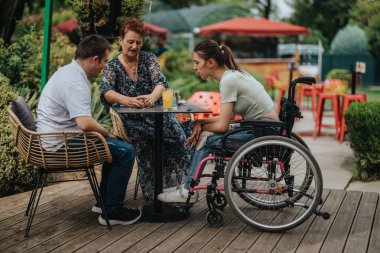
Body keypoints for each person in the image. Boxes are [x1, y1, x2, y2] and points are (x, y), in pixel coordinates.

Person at [36, 35, 141, 225]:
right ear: (94, 59)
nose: (104, 67)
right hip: (59, 145)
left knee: (116, 147)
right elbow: (85, 123)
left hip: (54, 139)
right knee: (126, 151)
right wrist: (108, 133)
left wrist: (107, 136)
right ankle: (112, 212)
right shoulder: (74, 81)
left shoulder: (68, 72)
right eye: (104, 62)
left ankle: (105, 203)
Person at [158, 40, 279, 203]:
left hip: (262, 131)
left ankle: (188, 190)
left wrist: (202, 127)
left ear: (210, 62)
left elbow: (222, 126)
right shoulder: (232, 75)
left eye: (196, 62)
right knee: (205, 132)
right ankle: (187, 185)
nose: (194, 67)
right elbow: (227, 118)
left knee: (206, 138)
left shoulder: (228, 80)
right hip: (262, 128)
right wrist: (200, 123)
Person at [100, 18, 194, 202]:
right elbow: (107, 93)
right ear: (120, 40)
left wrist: (152, 96)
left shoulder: (148, 58)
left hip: (158, 116)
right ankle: (156, 195)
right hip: (132, 122)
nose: (134, 46)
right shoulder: (112, 67)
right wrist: (128, 100)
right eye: (130, 41)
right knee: (148, 147)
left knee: (179, 137)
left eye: (138, 42)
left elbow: (160, 82)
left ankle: (178, 190)